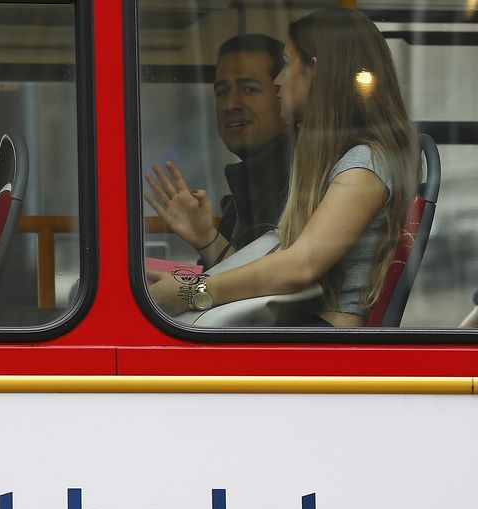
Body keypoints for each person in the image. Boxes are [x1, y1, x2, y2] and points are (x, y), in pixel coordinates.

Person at [148, 8, 419, 328]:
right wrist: (207, 238)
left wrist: (191, 291)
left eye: (287, 65)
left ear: (315, 70)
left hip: (324, 344)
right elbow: (269, 274)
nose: (277, 81)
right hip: (300, 329)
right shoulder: (327, 162)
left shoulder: (363, 163)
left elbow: (300, 266)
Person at [145, 34, 290, 269]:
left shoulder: (300, 184)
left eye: (249, 89)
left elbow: (266, 289)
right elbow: (228, 283)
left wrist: (186, 291)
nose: (230, 104)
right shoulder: (242, 194)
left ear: (285, 97)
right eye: (222, 92)